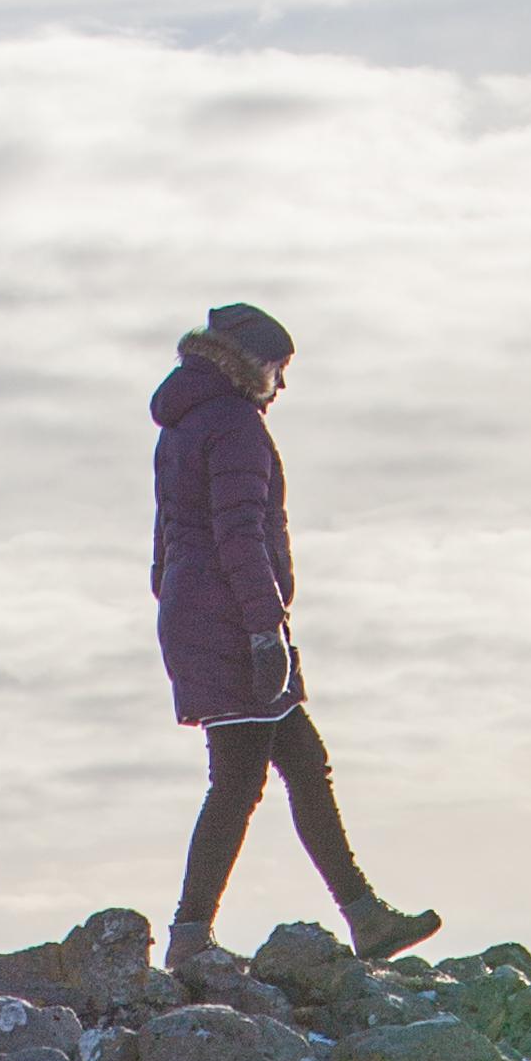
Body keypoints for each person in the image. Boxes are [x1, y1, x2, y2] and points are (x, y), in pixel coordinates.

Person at [150, 302, 437, 973]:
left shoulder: (182, 425)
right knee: (239, 779)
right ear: (252, 367)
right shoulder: (234, 425)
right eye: (278, 369)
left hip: (199, 615)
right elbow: (239, 530)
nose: (281, 386)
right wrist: (262, 628)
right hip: (230, 618)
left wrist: (185, 604)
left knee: (299, 761)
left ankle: (362, 915)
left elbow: (167, 540)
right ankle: (191, 933)